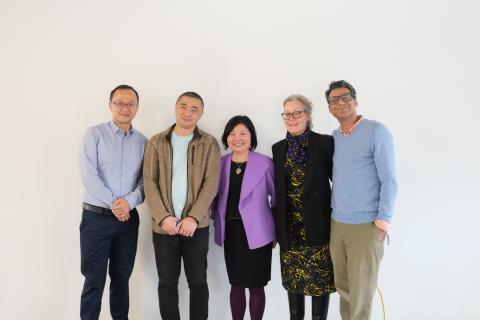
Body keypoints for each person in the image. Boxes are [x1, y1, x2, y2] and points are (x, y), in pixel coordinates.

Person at [143, 91, 220, 320]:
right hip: (164, 227)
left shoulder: (209, 142)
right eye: (183, 106)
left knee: (198, 282)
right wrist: (163, 217)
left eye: (194, 109)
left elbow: (211, 182)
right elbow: (149, 181)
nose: (188, 112)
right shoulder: (157, 141)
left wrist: (193, 217)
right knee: (167, 282)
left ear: (201, 113)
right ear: (175, 107)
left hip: (196, 227)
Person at [326, 80, 398, 320]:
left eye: (346, 97)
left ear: (355, 101)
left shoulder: (376, 131)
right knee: (344, 290)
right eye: (334, 100)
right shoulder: (333, 138)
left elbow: (389, 179)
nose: (341, 103)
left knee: (361, 295)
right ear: (330, 109)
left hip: (366, 227)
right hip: (337, 225)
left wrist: (383, 220)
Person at [79, 84, 147, 320]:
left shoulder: (143, 142)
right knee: (93, 280)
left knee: (121, 279)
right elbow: (89, 176)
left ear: (137, 108)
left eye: (130, 104)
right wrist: (116, 205)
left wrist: (127, 203)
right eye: (119, 102)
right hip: (96, 219)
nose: (125, 108)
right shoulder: (94, 134)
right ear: (110, 105)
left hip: (128, 222)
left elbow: (145, 183)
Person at [271, 95, 335, 320]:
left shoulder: (325, 143)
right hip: (290, 231)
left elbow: (339, 181)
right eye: (287, 113)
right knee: (294, 290)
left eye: (296, 112)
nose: (291, 118)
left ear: (307, 115)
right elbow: (276, 191)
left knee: (320, 288)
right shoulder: (278, 149)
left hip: (318, 226)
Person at [211, 115, 276, 320]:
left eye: (243, 134)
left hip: (259, 233)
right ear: (226, 137)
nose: (237, 138)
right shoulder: (220, 164)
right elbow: (213, 196)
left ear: (251, 137)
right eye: (232, 134)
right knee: (236, 283)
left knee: (256, 286)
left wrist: (275, 233)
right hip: (232, 233)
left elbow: (276, 199)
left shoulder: (265, 162)